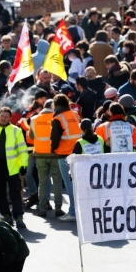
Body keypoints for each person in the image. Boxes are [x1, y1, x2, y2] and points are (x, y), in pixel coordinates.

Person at [28, 99, 64, 218]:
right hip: (55, 154)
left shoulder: (34, 119)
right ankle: (58, 209)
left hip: (40, 155)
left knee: (42, 182)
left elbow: (31, 137)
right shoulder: (57, 118)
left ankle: (42, 209)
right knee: (57, 182)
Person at [50, 95, 82, 223]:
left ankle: (73, 212)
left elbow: (55, 138)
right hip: (78, 153)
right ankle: (78, 211)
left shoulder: (58, 118)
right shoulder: (74, 114)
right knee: (78, 185)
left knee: (70, 185)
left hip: (64, 155)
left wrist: (53, 150)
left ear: (55, 105)